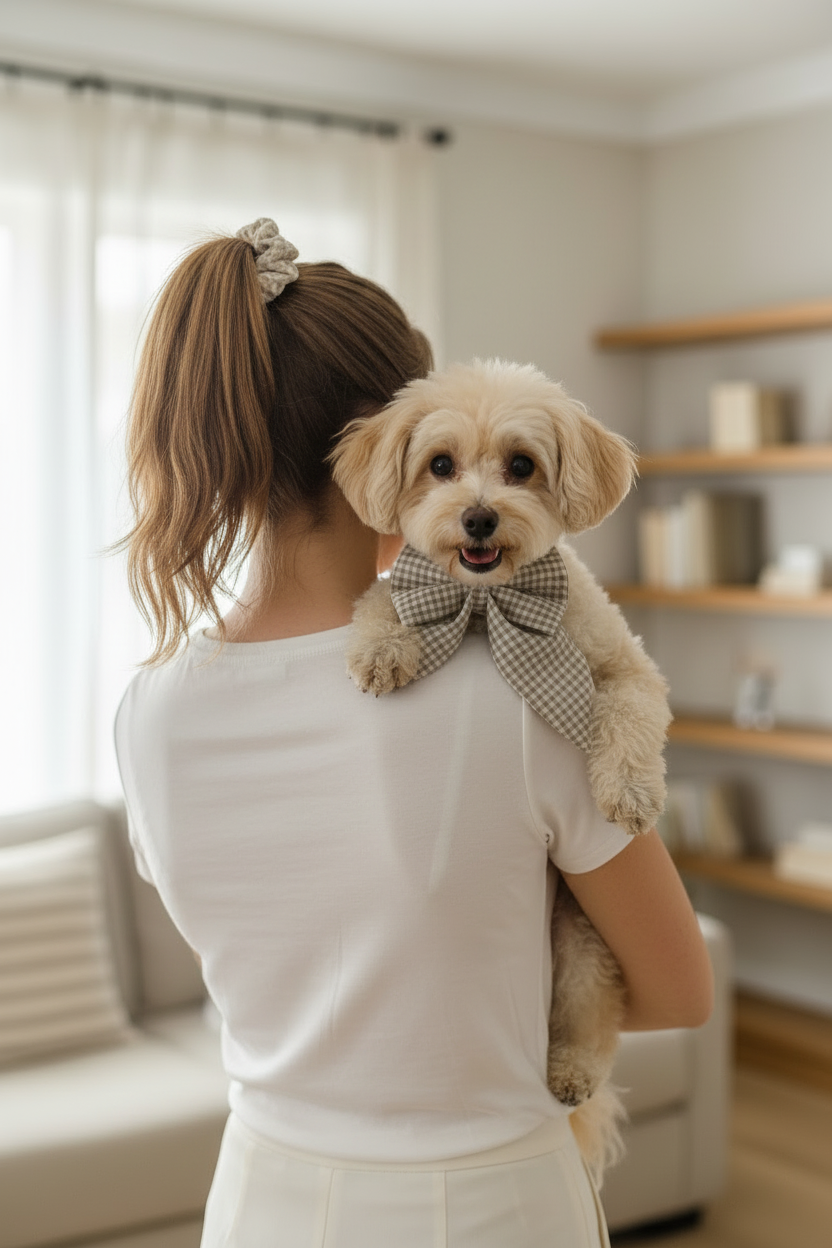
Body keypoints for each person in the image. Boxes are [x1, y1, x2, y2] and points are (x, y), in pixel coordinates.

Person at [114, 218, 713, 1248]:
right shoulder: (522, 685)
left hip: (262, 1199)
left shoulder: (151, 708)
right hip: (487, 1205)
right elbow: (675, 987)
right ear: (391, 436)